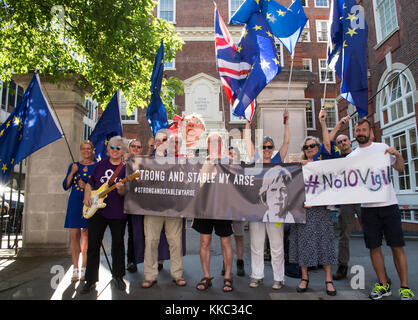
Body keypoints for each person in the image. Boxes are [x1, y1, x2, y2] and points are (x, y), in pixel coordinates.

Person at [347, 118, 414, 300]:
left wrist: (398, 155)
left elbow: (400, 168)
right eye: (357, 130)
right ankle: (383, 285)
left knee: (397, 246)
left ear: (371, 132)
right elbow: (334, 179)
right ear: (355, 133)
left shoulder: (382, 148)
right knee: (374, 247)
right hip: (368, 209)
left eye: (363, 129)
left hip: (389, 205)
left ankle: (405, 287)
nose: (360, 132)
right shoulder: (350, 158)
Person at [289, 107, 340, 296]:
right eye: (307, 147)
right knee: (303, 244)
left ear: (318, 149)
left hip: (321, 210)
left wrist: (323, 122)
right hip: (303, 210)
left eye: (313, 146)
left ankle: (328, 280)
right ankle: (304, 278)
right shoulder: (298, 167)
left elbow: (328, 144)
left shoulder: (323, 162)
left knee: (325, 243)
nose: (310, 148)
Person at [243, 110, 289, 290]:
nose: (267, 150)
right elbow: (248, 141)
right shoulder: (256, 160)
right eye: (265, 147)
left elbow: (286, 142)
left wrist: (286, 123)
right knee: (256, 244)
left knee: (277, 245)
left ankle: (279, 278)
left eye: (270, 147)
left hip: (275, 209)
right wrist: (248, 122)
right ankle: (257, 275)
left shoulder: (278, 159)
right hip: (256, 210)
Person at [81, 136, 128, 293]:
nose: (115, 150)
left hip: (117, 212)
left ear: (123, 151)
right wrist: (87, 196)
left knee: (118, 245)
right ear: (108, 150)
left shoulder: (126, 168)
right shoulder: (99, 165)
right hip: (97, 211)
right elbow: (89, 184)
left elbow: (123, 192)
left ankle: (118, 276)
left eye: (118, 148)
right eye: (112, 147)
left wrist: (120, 187)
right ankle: (90, 280)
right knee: (93, 245)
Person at [142, 130, 187, 288]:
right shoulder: (149, 159)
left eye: (164, 140)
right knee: (151, 241)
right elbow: (139, 173)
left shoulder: (176, 160)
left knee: (175, 242)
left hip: (173, 207)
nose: (162, 142)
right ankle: (150, 275)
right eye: (159, 140)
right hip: (152, 208)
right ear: (155, 142)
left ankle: (177, 274)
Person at [193, 133, 234, 292]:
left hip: (223, 207)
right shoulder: (201, 160)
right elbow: (197, 181)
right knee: (205, 242)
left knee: (225, 242)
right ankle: (206, 276)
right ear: (208, 144)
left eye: (218, 141)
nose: (215, 144)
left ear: (221, 144)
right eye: (212, 142)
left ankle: (228, 276)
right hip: (205, 207)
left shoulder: (228, 161)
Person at [328, 117, 362, 280]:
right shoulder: (336, 158)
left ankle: (381, 268)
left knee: (372, 232)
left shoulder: (359, 155)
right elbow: (328, 141)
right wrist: (338, 125)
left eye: (344, 140)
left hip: (364, 199)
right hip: (346, 201)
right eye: (339, 142)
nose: (342, 143)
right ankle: (342, 265)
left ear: (350, 141)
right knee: (344, 234)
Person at [63, 140, 96, 282]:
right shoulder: (74, 165)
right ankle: (75, 268)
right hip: (74, 202)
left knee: (87, 235)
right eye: (84, 149)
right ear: (81, 150)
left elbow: (98, 187)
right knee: (74, 235)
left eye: (89, 148)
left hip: (88, 202)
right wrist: (72, 172)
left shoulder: (96, 166)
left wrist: (86, 187)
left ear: (93, 150)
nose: (86, 151)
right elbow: (65, 185)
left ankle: (84, 267)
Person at [220, 147, 245, 277]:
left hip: (237, 209)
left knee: (239, 236)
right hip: (225, 208)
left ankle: (240, 261)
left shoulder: (241, 169)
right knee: (225, 238)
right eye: (230, 153)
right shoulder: (222, 168)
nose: (232, 156)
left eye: (234, 153)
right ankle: (226, 262)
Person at [125, 139, 143, 273]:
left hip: (136, 204)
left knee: (135, 233)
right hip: (120, 203)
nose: (136, 149)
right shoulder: (122, 162)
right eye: (133, 146)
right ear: (129, 148)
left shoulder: (145, 164)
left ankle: (132, 261)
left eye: (138, 147)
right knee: (119, 235)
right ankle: (121, 262)